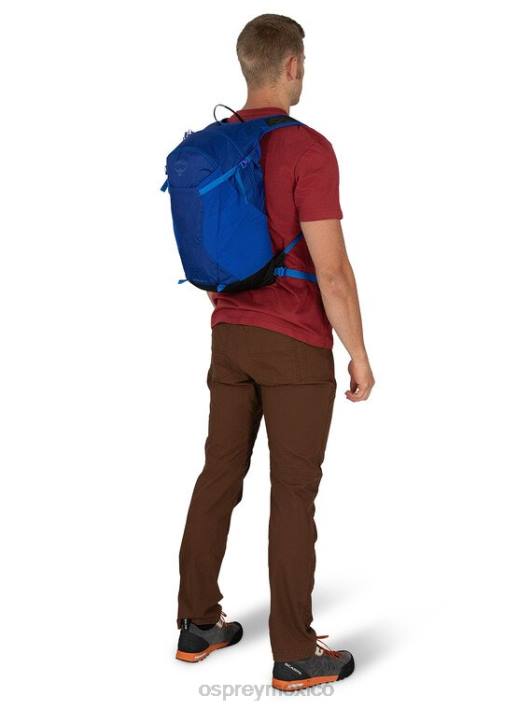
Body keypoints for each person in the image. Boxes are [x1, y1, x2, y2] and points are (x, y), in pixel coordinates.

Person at [175, 13, 375, 691]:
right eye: (303, 63)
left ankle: (197, 623)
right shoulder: (308, 148)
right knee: (293, 493)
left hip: (229, 336)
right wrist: (358, 351)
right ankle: (294, 654)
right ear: (291, 65)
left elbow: (207, 258)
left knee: (218, 474)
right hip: (295, 345)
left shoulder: (211, 147)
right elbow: (332, 271)